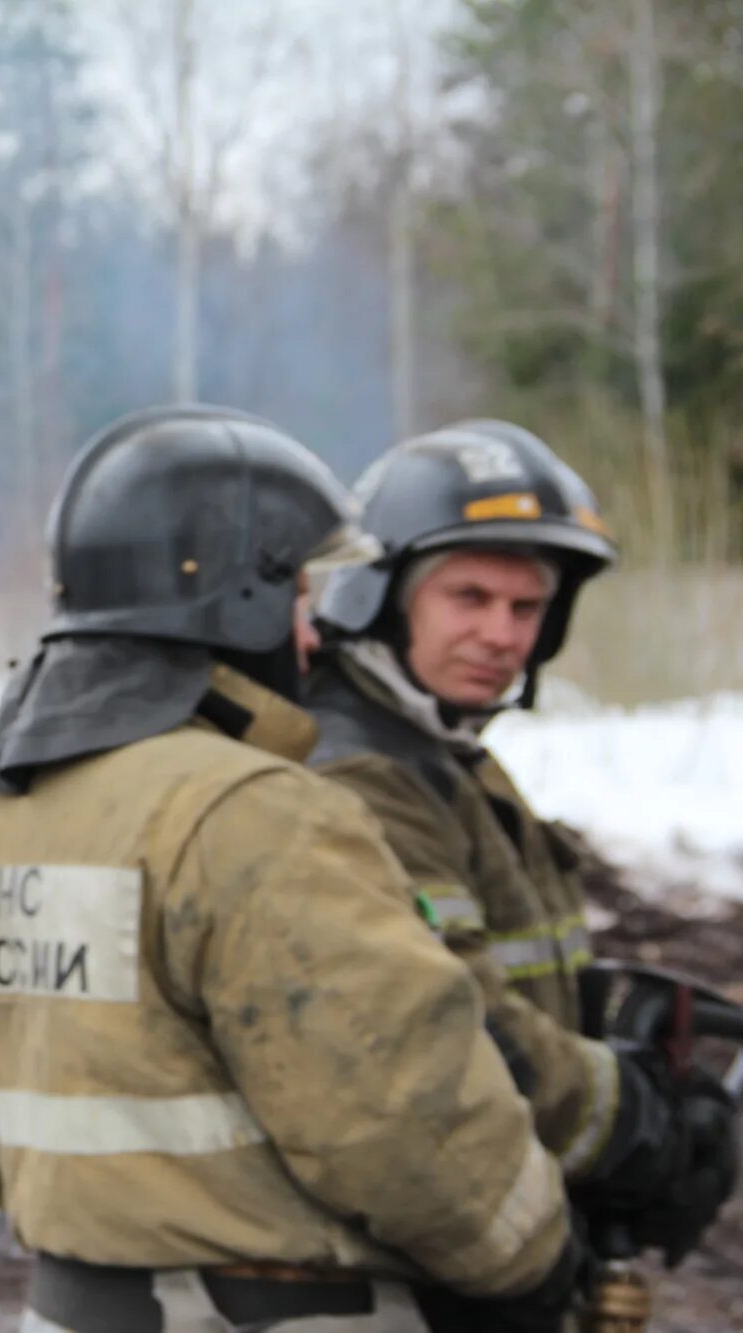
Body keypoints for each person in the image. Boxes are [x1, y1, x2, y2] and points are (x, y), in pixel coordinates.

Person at [0, 406, 581, 1332]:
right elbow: (403, 1120)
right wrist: (536, 1259)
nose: (311, 638)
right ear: (245, 601)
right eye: (300, 602)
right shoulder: (256, 810)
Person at [307, 420, 738, 1270]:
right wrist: (636, 1123)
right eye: (468, 597)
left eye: (527, 607)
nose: (503, 636)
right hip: (401, 1259)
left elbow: (511, 965)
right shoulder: (358, 772)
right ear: (382, 592)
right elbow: (452, 1023)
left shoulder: (450, 754)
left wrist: (610, 1015)